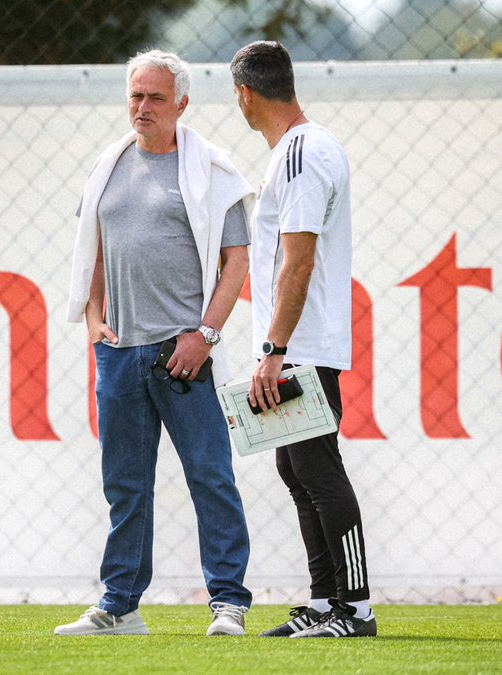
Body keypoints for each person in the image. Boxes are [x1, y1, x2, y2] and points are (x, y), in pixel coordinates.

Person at [58, 49, 254, 637]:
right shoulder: (107, 167)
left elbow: (237, 261)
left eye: (155, 98)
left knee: (210, 475)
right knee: (125, 483)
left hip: (181, 355)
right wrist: (94, 319)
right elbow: (90, 249)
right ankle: (120, 606)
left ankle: (229, 602)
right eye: (135, 96)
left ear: (182, 105)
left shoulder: (212, 172)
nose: (142, 108)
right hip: (119, 353)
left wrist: (205, 336)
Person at [230, 40, 376, 638]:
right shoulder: (303, 149)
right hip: (299, 344)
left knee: (318, 470)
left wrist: (273, 350)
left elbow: (299, 261)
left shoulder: (300, 153)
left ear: (244, 94)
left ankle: (355, 608)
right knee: (297, 470)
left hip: (302, 347)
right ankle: (324, 602)